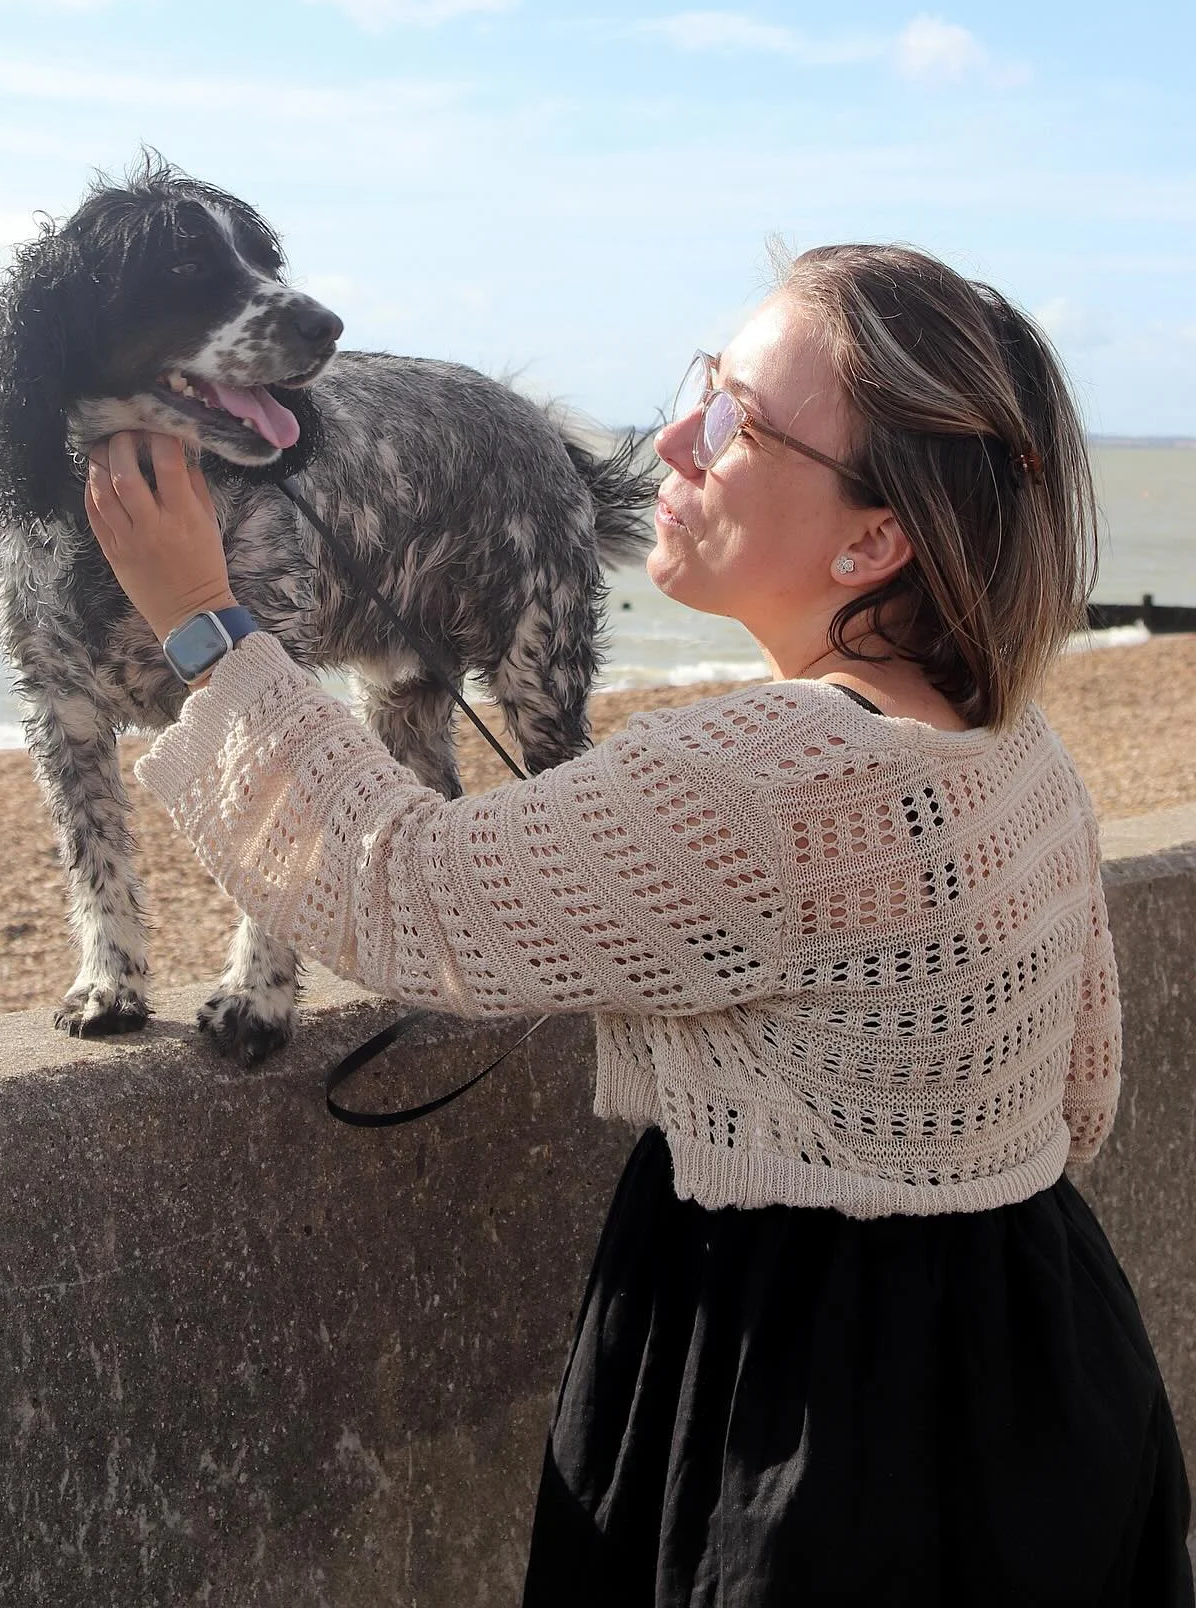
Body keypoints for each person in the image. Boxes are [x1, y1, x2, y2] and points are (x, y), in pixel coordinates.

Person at [83, 243, 1192, 1606]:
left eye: (738, 423)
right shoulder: (1017, 749)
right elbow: (1079, 1098)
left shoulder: (772, 772)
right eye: (702, 385)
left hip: (805, 1408)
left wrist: (204, 622)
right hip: (1046, 1359)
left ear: (872, 542)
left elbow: (411, 892)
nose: (672, 439)